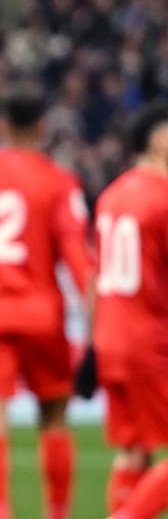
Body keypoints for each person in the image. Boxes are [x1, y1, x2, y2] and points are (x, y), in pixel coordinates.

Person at [0, 91, 94, 519]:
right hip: (44, 315)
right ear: (43, 128)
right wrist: (97, 326)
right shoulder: (59, 181)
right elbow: (78, 261)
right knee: (55, 418)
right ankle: (57, 512)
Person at [84, 101, 168, 519]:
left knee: (134, 451)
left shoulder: (113, 194)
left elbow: (95, 277)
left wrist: (90, 345)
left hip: (112, 338)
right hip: (149, 339)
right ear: (157, 139)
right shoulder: (163, 197)